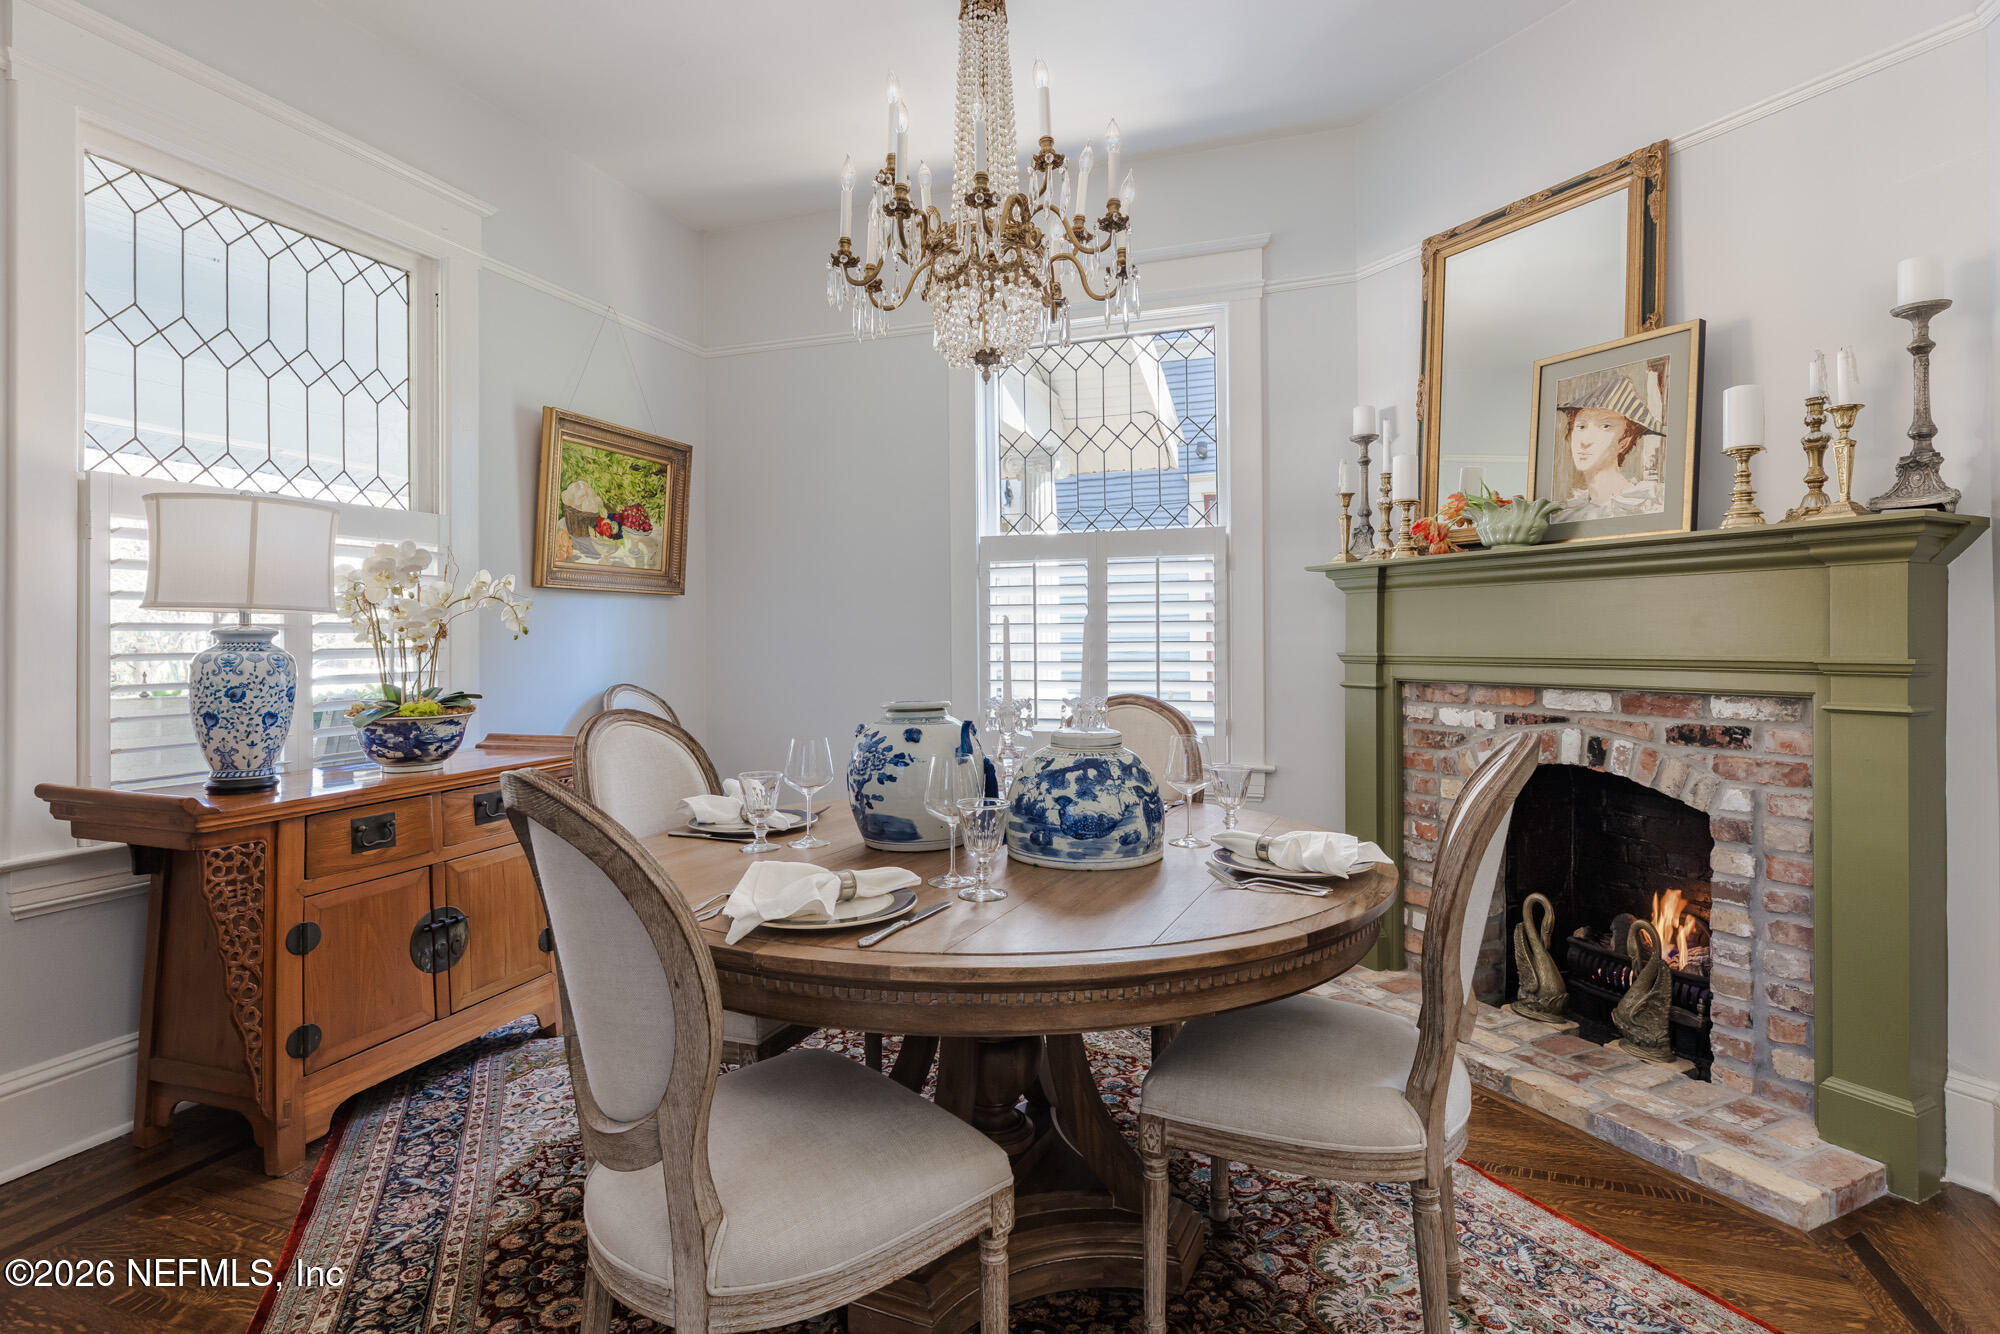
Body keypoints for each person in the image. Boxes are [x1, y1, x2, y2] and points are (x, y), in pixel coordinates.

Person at [1552, 370, 1665, 521]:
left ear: (1624, 442)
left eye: (1605, 426)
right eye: (1581, 426)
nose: (1585, 441)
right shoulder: (1566, 519)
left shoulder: (1653, 503)